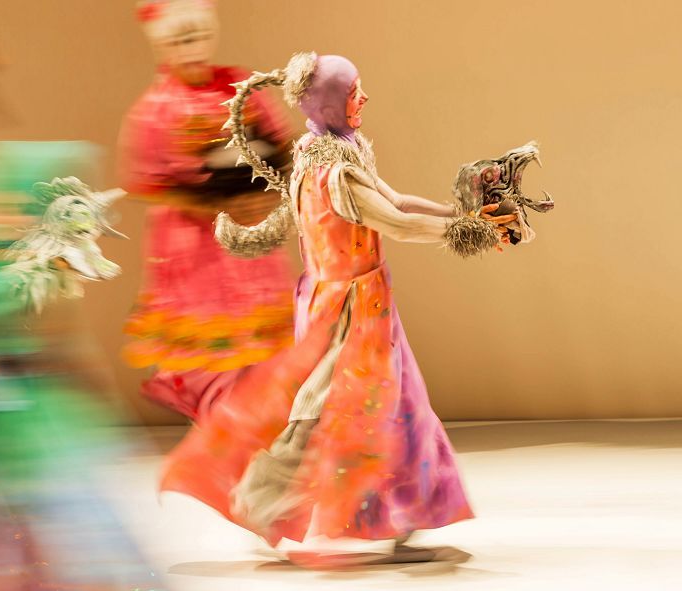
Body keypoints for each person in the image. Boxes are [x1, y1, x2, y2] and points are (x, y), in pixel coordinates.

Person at [161, 52, 525, 566]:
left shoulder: (335, 151)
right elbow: (395, 223)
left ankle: (404, 514)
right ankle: (260, 499)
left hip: (366, 303)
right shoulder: (332, 171)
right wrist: (469, 230)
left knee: (401, 407)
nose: (364, 98)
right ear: (329, 102)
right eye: (354, 91)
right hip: (345, 313)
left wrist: (461, 213)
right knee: (327, 413)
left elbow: (397, 202)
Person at [119, 0, 296, 420]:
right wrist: (212, 204)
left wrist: (267, 190)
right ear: (162, 44)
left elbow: (280, 142)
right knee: (210, 347)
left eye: (198, 36)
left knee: (260, 345)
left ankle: (255, 424)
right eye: (180, 39)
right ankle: (221, 422)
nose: (192, 47)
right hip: (193, 244)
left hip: (250, 231)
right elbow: (147, 184)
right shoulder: (157, 107)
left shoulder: (239, 87)